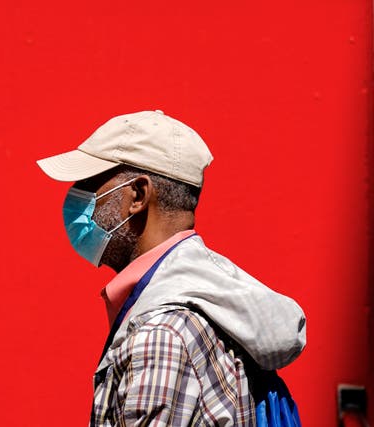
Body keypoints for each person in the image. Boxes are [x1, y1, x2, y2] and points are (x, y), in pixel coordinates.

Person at [36, 110, 306, 426]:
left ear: (137, 195)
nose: (75, 198)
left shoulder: (160, 336)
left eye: (88, 184)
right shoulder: (206, 299)